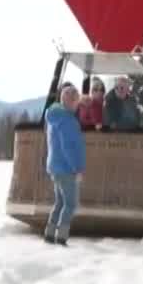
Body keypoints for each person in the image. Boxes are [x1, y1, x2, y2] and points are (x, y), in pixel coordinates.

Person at [43, 84, 86, 246]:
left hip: (55, 166)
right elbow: (68, 147)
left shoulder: (55, 118)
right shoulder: (68, 121)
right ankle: (61, 236)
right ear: (70, 101)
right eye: (76, 102)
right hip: (67, 168)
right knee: (70, 203)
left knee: (60, 202)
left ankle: (49, 233)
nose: (78, 105)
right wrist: (77, 168)